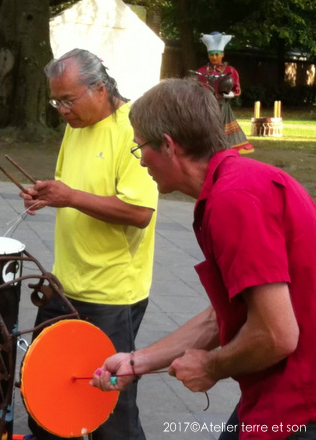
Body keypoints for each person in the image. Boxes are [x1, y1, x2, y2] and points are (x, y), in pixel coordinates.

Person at [92, 78, 316, 440]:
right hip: (282, 394)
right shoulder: (239, 182)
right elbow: (226, 314)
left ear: (168, 145)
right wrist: (138, 361)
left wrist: (212, 365)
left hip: (299, 404)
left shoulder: (233, 199)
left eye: (140, 149)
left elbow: (276, 334)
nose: (141, 161)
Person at [19, 48, 159, 440]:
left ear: (99, 88)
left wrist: (69, 197)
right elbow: (69, 186)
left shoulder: (133, 128)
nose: (61, 109)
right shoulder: (76, 126)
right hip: (65, 282)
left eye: (68, 99)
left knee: (110, 406)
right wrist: (46, 194)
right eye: (55, 100)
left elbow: (140, 212)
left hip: (112, 292)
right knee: (46, 383)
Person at [196, 32, 253, 154]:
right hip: (205, 104)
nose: (214, 57)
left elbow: (236, 88)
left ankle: (224, 149)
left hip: (223, 104)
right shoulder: (201, 71)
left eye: (217, 54)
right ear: (208, 55)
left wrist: (231, 94)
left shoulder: (230, 71)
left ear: (222, 54)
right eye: (212, 54)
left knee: (222, 126)